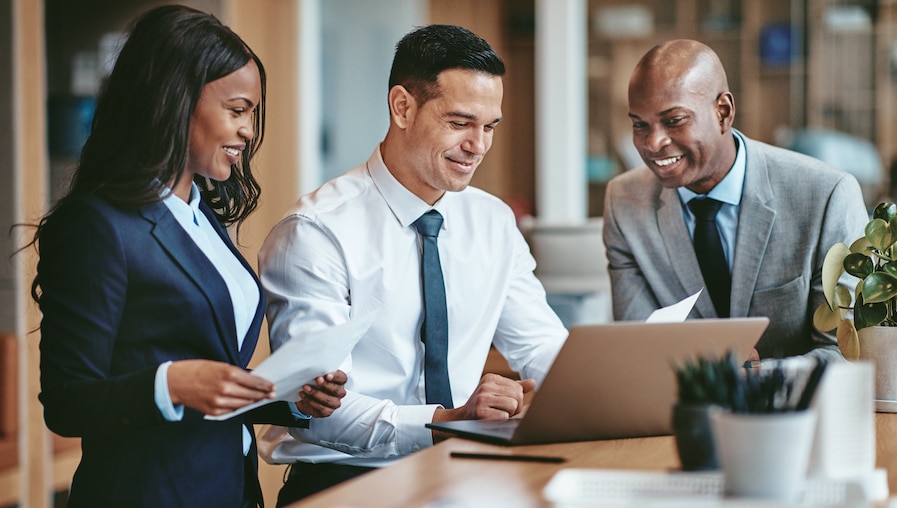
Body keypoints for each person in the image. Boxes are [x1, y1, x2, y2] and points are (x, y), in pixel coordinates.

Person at [31, 5, 347, 507]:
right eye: (237, 110)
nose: (248, 130)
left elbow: (213, 377)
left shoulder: (202, 218)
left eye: (252, 114)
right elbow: (67, 403)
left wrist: (288, 397)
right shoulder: (99, 225)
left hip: (231, 490)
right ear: (176, 101)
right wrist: (172, 383)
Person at [256, 24, 568, 505]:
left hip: (464, 477)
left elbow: (541, 345)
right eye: (460, 122)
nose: (478, 145)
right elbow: (320, 411)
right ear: (402, 106)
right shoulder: (316, 232)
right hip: (346, 488)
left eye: (489, 126)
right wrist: (448, 421)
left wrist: (601, 390)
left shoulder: (492, 221)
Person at [603, 39, 869, 361]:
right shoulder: (624, 202)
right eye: (639, 125)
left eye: (674, 121)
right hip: (680, 408)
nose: (653, 142)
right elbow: (638, 346)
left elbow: (845, 352)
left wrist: (761, 378)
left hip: (796, 408)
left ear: (723, 112)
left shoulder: (826, 196)